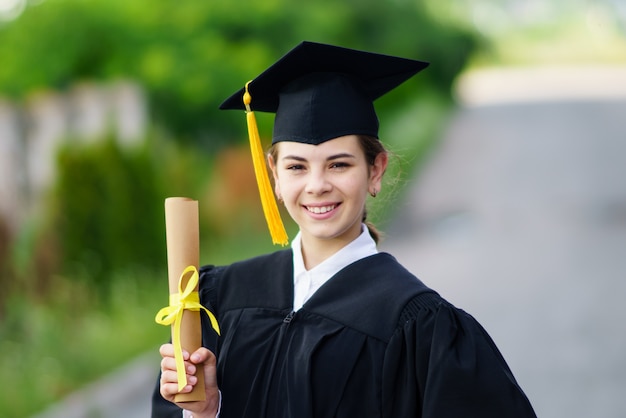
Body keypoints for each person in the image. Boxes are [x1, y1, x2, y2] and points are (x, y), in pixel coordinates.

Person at [151, 41, 537, 418]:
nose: (317, 185)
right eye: (297, 166)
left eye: (338, 165)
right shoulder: (220, 299)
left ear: (376, 170)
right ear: (275, 177)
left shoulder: (420, 327)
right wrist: (206, 411)